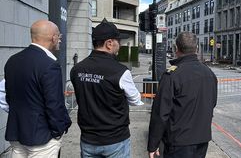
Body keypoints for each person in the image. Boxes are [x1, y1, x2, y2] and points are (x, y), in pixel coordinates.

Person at [70, 18, 143, 158]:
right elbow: (135, 100)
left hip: (88, 139)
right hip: (115, 140)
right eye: (118, 42)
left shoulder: (76, 69)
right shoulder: (120, 71)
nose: (119, 46)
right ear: (109, 43)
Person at [4, 20, 71, 157]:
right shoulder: (50, 65)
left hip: (16, 132)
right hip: (42, 138)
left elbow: (9, 97)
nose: (59, 40)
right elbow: (54, 105)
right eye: (59, 36)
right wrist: (58, 131)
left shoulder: (12, 60)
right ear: (53, 37)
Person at [148, 32, 218, 158]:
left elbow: (160, 113)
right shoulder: (209, 73)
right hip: (202, 139)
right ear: (196, 49)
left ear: (176, 49)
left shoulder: (172, 75)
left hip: (178, 142)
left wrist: (153, 144)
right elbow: (212, 103)